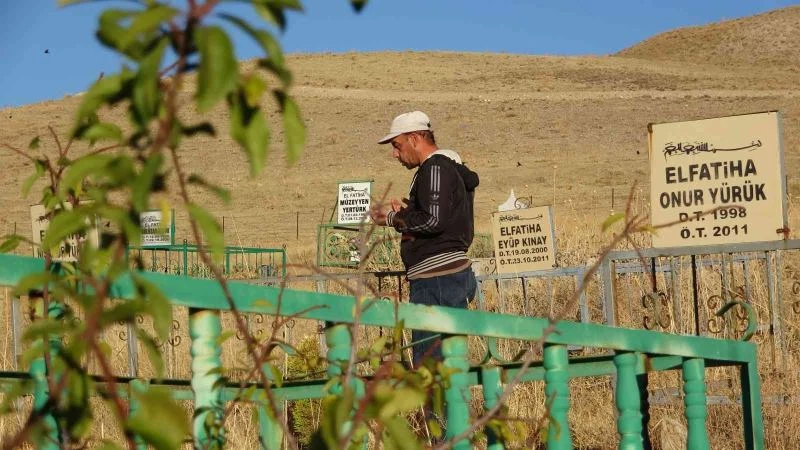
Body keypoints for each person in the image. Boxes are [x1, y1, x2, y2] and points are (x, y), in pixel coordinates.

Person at [370, 111, 479, 366]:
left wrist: (390, 219)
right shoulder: (442, 170)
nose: (394, 154)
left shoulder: (435, 168)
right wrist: (408, 213)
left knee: (431, 367)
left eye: (397, 145)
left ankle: (438, 409)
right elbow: (438, 217)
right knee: (447, 362)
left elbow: (432, 221)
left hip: (437, 280)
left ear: (416, 138)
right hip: (444, 278)